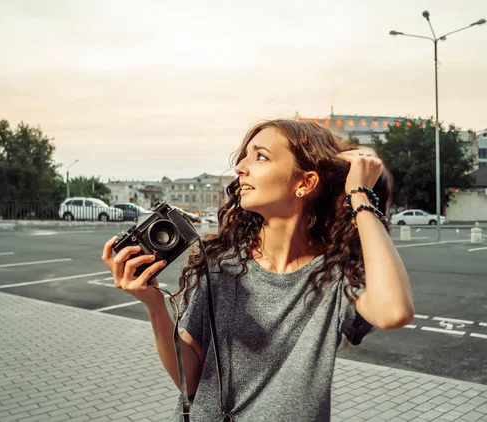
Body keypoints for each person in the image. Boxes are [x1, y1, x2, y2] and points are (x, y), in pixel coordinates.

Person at [101, 119, 415, 421]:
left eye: (260, 156)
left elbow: (395, 312)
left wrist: (359, 195)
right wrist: (154, 304)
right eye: (244, 156)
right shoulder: (220, 262)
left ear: (305, 183)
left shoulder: (333, 275)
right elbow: (191, 381)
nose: (240, 167)